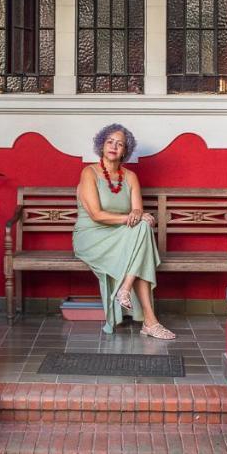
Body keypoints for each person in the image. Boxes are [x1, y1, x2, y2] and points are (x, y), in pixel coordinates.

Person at [72, 123, 175, 339]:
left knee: (143, 228)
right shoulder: (89, 173)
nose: (114, 146)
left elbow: (137, 209)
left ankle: (128, 293)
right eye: (110, 142)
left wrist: (139, 215)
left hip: (120, 233)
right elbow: (96, 215)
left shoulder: (130, 177)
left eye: (120, 144)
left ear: (125, 151)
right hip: (92, 234)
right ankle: (149, 321)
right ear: (101, 145)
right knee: (141, 237)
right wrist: (130, 218)